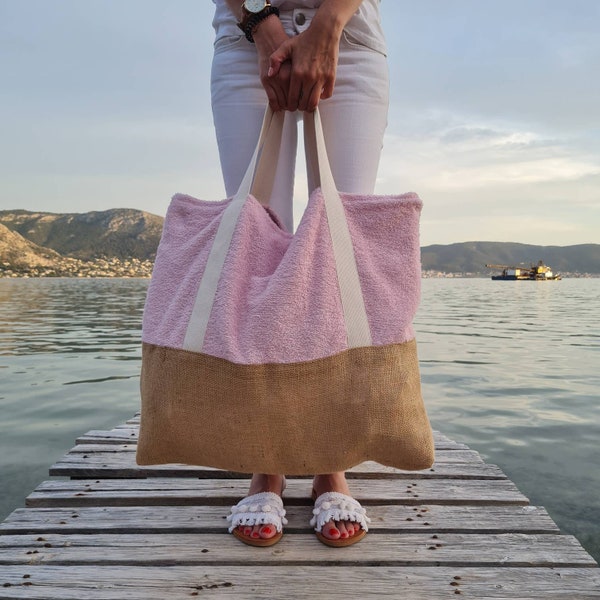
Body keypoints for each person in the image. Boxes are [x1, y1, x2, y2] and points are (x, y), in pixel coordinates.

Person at [211, 0, 388, 547]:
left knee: (338, 255)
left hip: (348, 35)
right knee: (253, 250)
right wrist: (260, 24)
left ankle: (330, 462)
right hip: (245, 44)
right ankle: (266, 462)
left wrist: (330, 22)